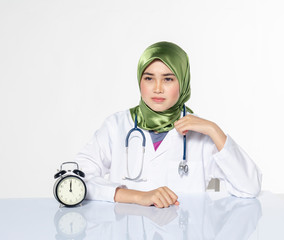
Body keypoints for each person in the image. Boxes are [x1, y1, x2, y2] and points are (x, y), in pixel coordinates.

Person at [75, 41, 262, 208]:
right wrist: (137, 196)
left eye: (168, 79)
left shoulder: (201, 133)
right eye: (149, 78)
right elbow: (77, 179)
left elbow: (249, 187)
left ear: (183, 82)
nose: (157, 88)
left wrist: (214, 130)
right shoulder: (116, 126)